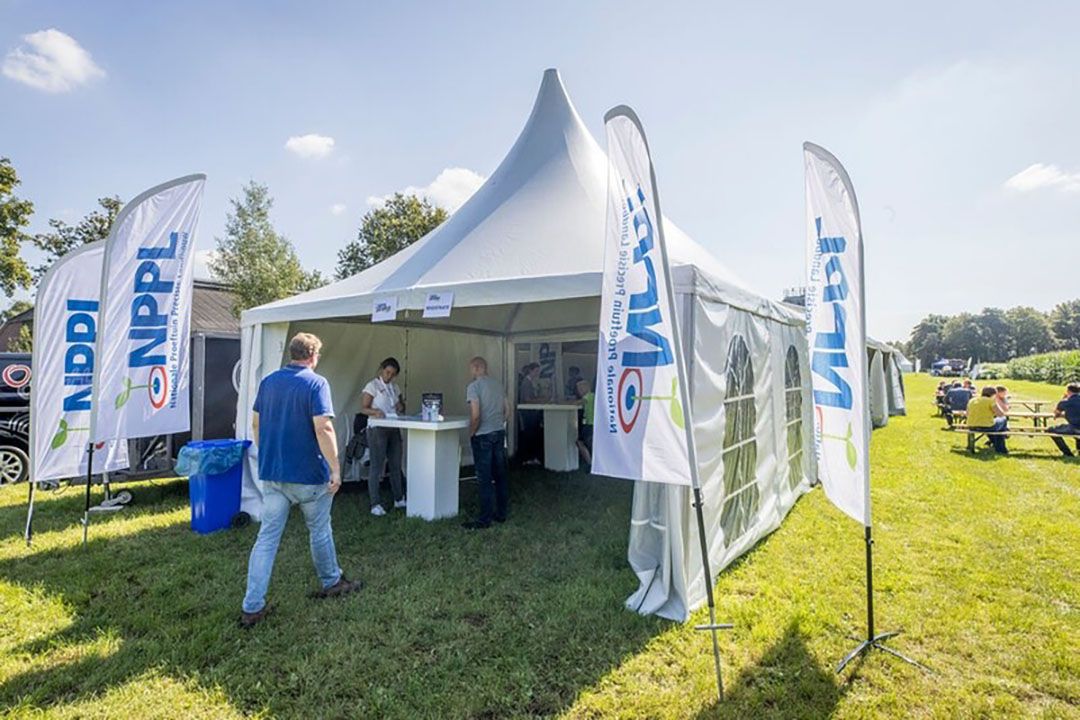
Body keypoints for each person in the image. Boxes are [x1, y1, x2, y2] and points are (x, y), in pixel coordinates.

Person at [241, 333, 361, 628]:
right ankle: (331, 581)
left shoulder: (269, 382)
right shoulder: (316, 383)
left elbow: (256, 423)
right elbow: (324, 429)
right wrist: (335, 468)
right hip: (308, 475)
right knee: (319, 530)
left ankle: (252, 606)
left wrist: (266, 451)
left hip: (273, 473)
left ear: (291, 354)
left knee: (266, 540)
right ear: (313, 356)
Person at [464, 356, 510, 529]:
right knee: (500, 476)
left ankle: (484, 519)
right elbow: (507, 410)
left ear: (476, 368)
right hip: (498, 432)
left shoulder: (473, 387)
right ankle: (501, 513)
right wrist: (499, 423)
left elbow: (476, 415)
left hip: (483, 435)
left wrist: (472, 432)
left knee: (484, 479)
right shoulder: (498, 385)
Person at [360, 357, 407, 516]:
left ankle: (399, 498)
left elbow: (401, 406)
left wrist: (401, 406)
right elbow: (364, 408)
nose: (389, 376)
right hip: (377, 428)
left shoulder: (395, 387)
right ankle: (375, 503)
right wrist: (375, 412)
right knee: (377, 466)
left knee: (395, 463)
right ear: (382, 370)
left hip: (393, 426)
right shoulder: (372, 386)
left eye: (392, 374)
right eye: (387, 372)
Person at [966, 386, 1008, 454]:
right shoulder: (990, 401)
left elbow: (967, 413)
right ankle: (1001, 447)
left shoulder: (972, 400)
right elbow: (1000, 414)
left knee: (998, 427)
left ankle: (994, 442)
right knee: (1003, 420)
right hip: (987, 426)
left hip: (971, 426)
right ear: (993, 394)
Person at [517, 362, 543, 465]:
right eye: (536, 371)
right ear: (531, 370)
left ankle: (532, 457)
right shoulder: (526, 383)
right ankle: (528, 458)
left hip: (531, 412)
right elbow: (527, 399)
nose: (537, 373)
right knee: (530, 435)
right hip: (528, 413)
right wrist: (539, 401)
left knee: (533, 434)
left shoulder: (530, 382)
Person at [1048, 382, 1080, 457]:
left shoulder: (1065, 402)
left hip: (1073, 427)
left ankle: (1067, 453)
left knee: (1051, 430)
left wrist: (1064, 398)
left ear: (1068, 391)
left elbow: (1056, 413)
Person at [575, 378, 594, 466]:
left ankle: (589, 463)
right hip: (593, 423)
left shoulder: (587, 397)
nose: (578, 392)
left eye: (579, 389)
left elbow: (577, 403)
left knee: (580, 442)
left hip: (589, 423)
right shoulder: (593, 396)